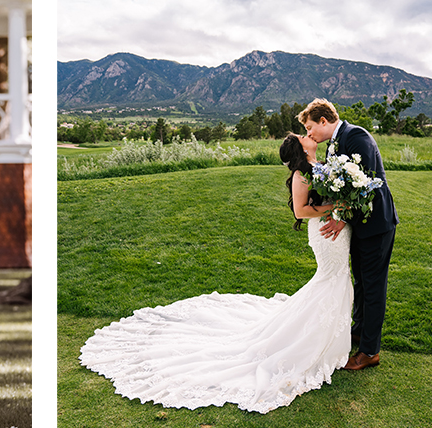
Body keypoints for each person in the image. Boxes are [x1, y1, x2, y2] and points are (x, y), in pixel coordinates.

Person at [79, 133, 354, 414]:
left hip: (335, 229)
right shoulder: (300, 175)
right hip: (323, 233)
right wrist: (334, 207)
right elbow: (300, 210)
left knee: (337, 277)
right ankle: (315, 342)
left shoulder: (321, 166)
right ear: (300, 148)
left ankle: (331, 338)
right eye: (303, 136)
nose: (308, 135)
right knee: (330, 277)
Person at [298, 98, 399, 370]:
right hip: (360, 225)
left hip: (376, 224)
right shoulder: (334, 143)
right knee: (362, 283)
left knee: (374, 286)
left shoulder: (356, 136)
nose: (309, 134)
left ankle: (369, 351)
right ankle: (359, 330)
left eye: (309, 128)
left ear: (323, 121)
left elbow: (366, 184)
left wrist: (341, 217)